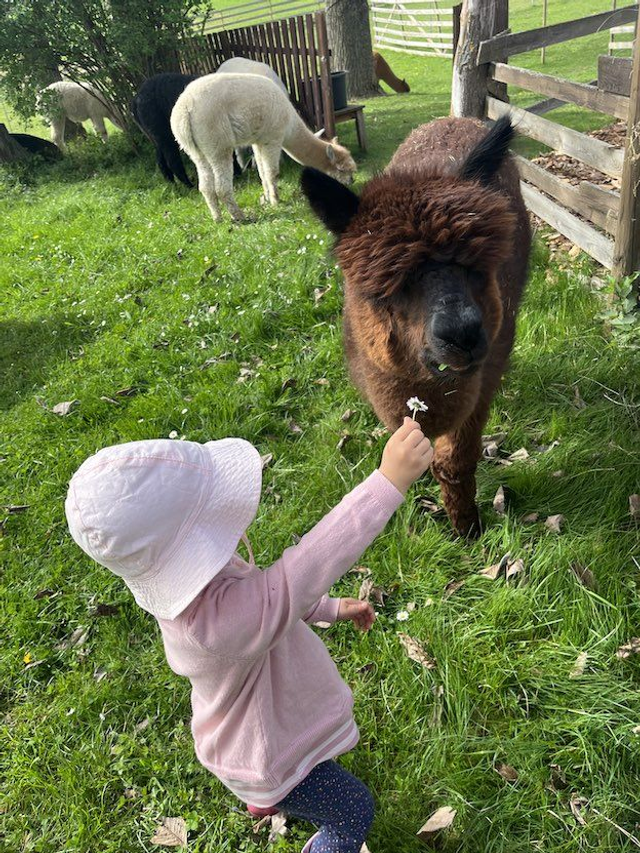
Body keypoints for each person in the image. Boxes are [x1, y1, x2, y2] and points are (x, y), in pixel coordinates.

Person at [65, 418, 434, 852]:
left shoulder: (192, 589)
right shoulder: (215, 626)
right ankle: (294, 816)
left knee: (283, 789)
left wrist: (329, 608)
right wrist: (387, 482)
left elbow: (270, 602)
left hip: (238, 737)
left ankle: (263, 800)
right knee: (354, 809)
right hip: (268, 753)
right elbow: (295, 578)